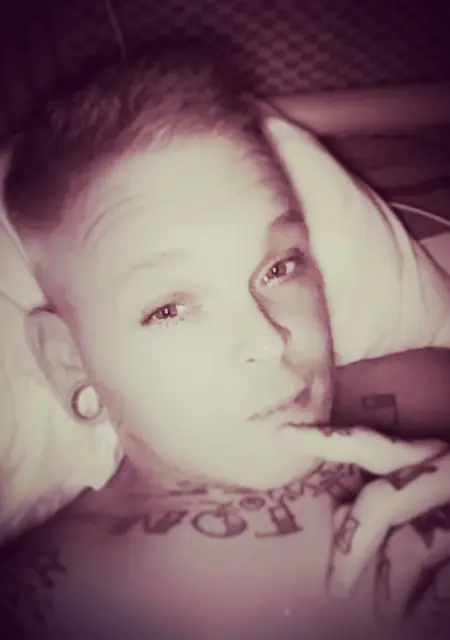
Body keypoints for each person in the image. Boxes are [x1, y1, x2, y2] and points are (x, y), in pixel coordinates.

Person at [1, 42, 450, 639]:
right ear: (69, 362)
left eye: (279, 268)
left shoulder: (414, 394)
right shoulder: (42, 603)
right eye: (170, 309)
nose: (270, 340)